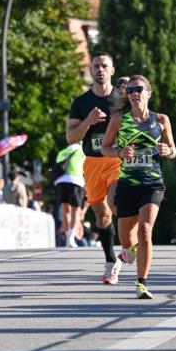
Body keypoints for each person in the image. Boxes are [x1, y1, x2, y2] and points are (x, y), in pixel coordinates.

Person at [101, 74, 176, 300]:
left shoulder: (161, 120)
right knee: (127, 241)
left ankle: (141, 283)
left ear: (148, 93)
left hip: (152, 184)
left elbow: (173, 149)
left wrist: (168, 151)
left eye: (139, 89)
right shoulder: (118, 120)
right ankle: (131, 252)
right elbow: (105, 148)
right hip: (127, 184)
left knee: (145, 230)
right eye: (131, 91)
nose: (134, 94)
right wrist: (119, 152)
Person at [66, 52, 122, 284]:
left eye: (104, 66)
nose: (100, 69)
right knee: (101, 216)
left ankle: (129, 242)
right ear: (91, 70)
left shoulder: (122, 100)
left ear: (112, 70)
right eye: (96, 66)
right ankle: (111, 259)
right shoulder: (81, 103)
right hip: (92, 162)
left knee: (114, 200)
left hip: (117, 160)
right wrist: (88, 122)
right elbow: (71, 137)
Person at [53, 141, 86, 248]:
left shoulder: (62, 152)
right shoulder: (82, 150)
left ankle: (68, 238)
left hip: (60, 181)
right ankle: (71, 237)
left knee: (65, 210)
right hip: (75, 180)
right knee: (75, 210)